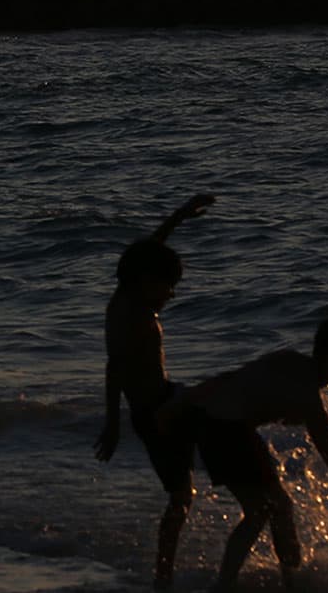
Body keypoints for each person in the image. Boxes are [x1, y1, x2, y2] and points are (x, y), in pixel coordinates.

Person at [156, 308, 328, 591]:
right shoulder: (308, 395)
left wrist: (180, 403)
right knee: (261, 510)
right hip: (224, 430)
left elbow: (233, 380)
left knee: (278, 507)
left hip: (215, 423)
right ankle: (226, 585)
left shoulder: (290, 362)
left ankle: (288, 580)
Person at [94, 192, 218, 588]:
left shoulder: (125, 300)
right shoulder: (131, 318)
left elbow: (148, 252)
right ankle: (163, 577)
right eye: (168, 286)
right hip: (155, 414)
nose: (172, 294)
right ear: (146, 282)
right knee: (181, 498)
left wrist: (178, 218)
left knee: (219, 416)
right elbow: (115, 370)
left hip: (165, 402)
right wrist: (113, 425)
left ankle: (164, 574)